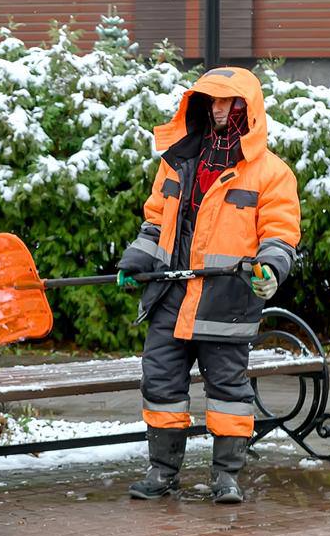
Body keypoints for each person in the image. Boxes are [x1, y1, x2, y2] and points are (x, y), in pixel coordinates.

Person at [117, 66, 301, 504]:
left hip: (227, 299)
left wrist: (270, 269)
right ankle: (161, 473)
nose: (218, 109)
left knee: (228, 392)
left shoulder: (271, 174)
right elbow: (156, 220)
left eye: (228, 102)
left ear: (247, 108)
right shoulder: (177, 161)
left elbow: (280, 234)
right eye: (212, 101)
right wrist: (136, 260)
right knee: (160, 384)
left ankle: (227, 477)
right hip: (169, 295)